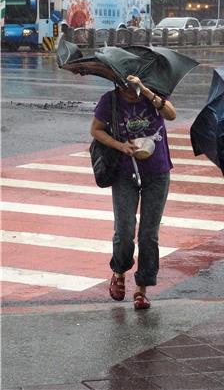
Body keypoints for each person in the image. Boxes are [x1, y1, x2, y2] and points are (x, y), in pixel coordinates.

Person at [90, 75, 176, 310]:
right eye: (124, 86)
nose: (128, 91)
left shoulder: (152, 94)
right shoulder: (110, 101)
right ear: (117, 83)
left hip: (157, 172)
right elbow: (96, 130)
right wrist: (120, 146)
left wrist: (146, 91)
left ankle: (142, 289)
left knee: (149, 234)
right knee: (125, 229)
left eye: (132, 87)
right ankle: (119, 272)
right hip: (124, 172)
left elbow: (171, 114)